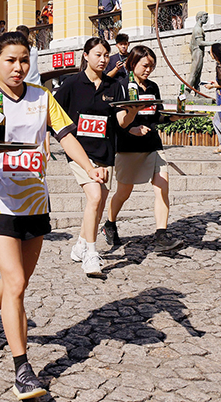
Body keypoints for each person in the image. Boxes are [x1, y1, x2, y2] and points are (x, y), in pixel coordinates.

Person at [0, 32, 104, 400]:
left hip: (35, 200)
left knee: (18, 279)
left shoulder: (42, 97)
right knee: (16, 284)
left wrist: (89, 167)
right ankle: (22, 370)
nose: (18, 67)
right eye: (10, 60)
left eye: (24, 59)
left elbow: (66, 136)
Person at [55, 38, 140, 276]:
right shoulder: (71, 84)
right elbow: (54, 115)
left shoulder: (115, 86)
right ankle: (91, 254)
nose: (103, 60)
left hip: (105, 151)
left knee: (100, 201)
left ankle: (81, 244)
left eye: (106, 55)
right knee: (94, 196)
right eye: (98, 55)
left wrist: (132, 112)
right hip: (80, 151)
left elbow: (121, 121)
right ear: (85, 55)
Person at [106, 45, 184, 252]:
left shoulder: (153, 87)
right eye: (145, 65)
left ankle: (161, 235)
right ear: (133, 64)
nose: (148, 70)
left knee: (162, 187)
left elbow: (157, 116)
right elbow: (115, 121)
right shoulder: (121, 86)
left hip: (153, 145)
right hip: (128, 147)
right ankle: (110, 224)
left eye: (152, 66)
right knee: (124, 192)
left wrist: (172, 118)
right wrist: (131, 129)